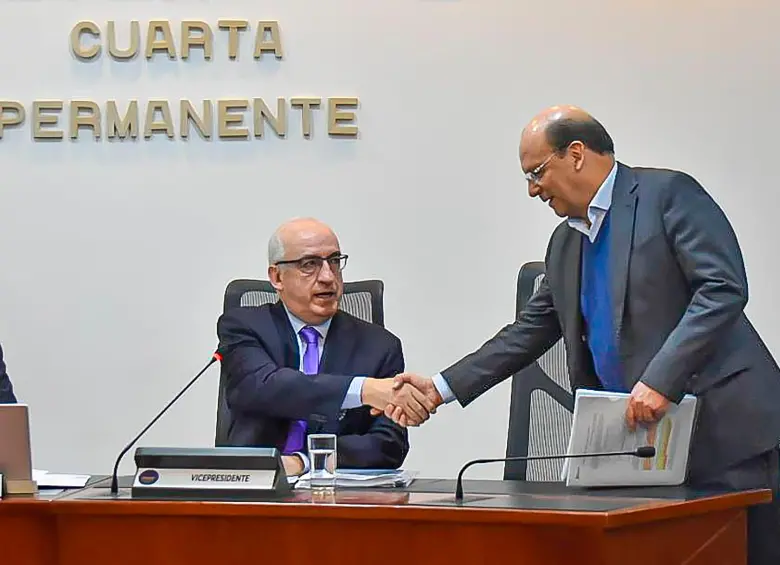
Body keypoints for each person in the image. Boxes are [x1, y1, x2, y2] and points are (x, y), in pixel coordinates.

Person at [386, 106, 780, 565]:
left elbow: (723, 288)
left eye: (536, 173)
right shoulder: (565, 242)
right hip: (646, 453)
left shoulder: (667, 194)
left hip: (729, 439)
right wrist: (439, 388)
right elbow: (527, 333)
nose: (532, 190)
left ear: (575, 154)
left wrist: (661, 379)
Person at [217, 217, 430, 476]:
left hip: (339, 499)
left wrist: (305, 461)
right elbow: (262, 388)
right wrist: (364, 389)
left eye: (334, 261)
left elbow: (389, 445)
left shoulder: (380, 346)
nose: (328, 277)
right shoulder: (243, 326)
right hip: (254, 495)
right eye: (310, 264)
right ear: (277, 277)